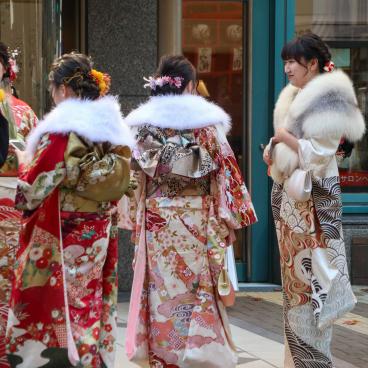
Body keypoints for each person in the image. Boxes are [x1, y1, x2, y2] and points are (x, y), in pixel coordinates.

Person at [122, 55, 257, 367]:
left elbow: (139, 170)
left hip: (158, 219)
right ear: (192, 86)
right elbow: (224, 169)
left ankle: (162, 353)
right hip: (197, 217)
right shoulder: (207, 127)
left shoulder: (145, 128)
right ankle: (199, 351)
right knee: (196, 285)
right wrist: (228, 218)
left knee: (160, 287)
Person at [5, 52, 134, 368]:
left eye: (52, 88)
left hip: (68, 228)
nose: (52, 95)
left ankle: (76, 359)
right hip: (99, 226)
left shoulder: (62, 129)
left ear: (63, 89)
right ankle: (89, 357)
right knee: (87, 298)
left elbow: (35, 187)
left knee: (69, 301)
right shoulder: (110, 127)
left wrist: (23, 163)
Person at [263, 33, 365, 367]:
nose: (288, 68)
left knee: (313, 286)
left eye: (293, 62)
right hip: (293, 206)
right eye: (285, 62)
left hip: (313, 208)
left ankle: (313, 362)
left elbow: (318, 155)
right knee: (295, 292)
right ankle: (295, 361)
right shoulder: (297, 97)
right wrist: (274, 150)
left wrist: (284, 138)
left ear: (313, 64)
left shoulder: (330, 101)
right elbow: (288, 148)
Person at [0, 41, 37, 368]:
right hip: (13, 196)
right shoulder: (22, 110)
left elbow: (36, 160)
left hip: (12, 203)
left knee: (10, 278)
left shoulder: (22, 111)